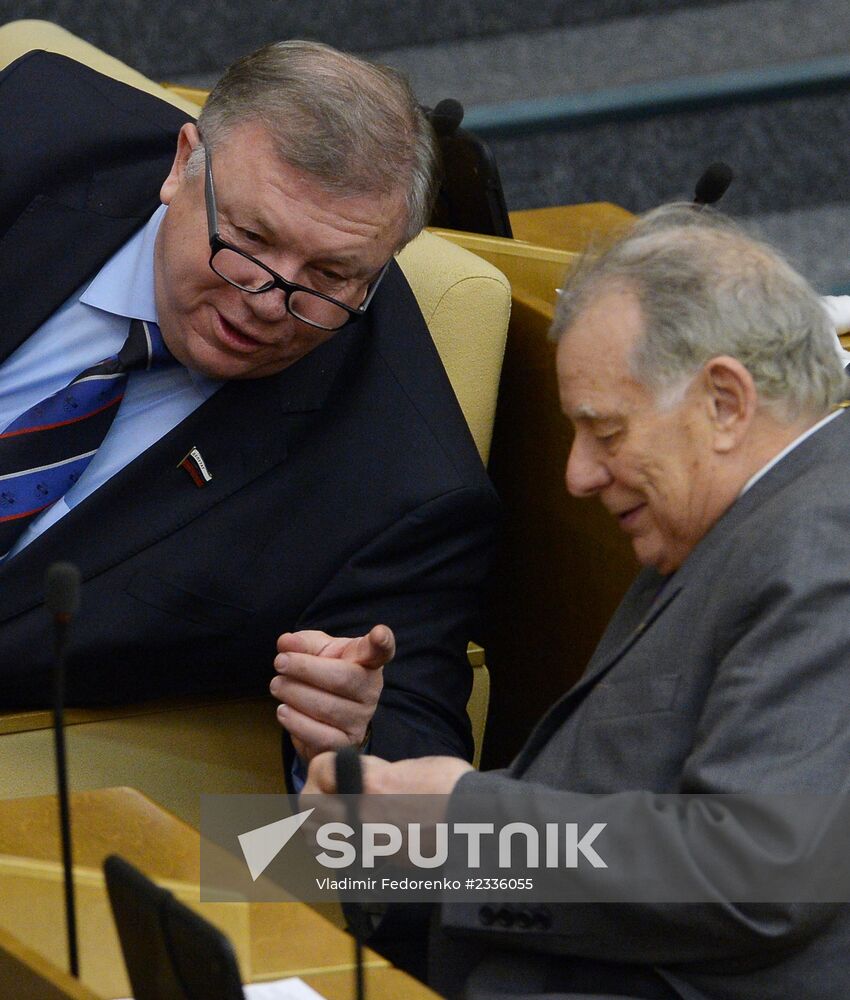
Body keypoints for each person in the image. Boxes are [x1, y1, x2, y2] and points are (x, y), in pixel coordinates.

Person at [305, 205, 850, 998]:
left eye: (606, 430)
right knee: (159, 879)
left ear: (725, 402)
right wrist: (374, 792)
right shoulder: (743, 517)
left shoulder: (823, 549)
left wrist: (457, 825)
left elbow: (756, 872)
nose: (578, 475)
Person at [0, 40, 498, 770]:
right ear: (183, 165)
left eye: (331, 275)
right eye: (251, 238)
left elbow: (413, 755)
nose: (268, 302)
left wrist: (354, 737)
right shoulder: (35, 128)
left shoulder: (398, 483)